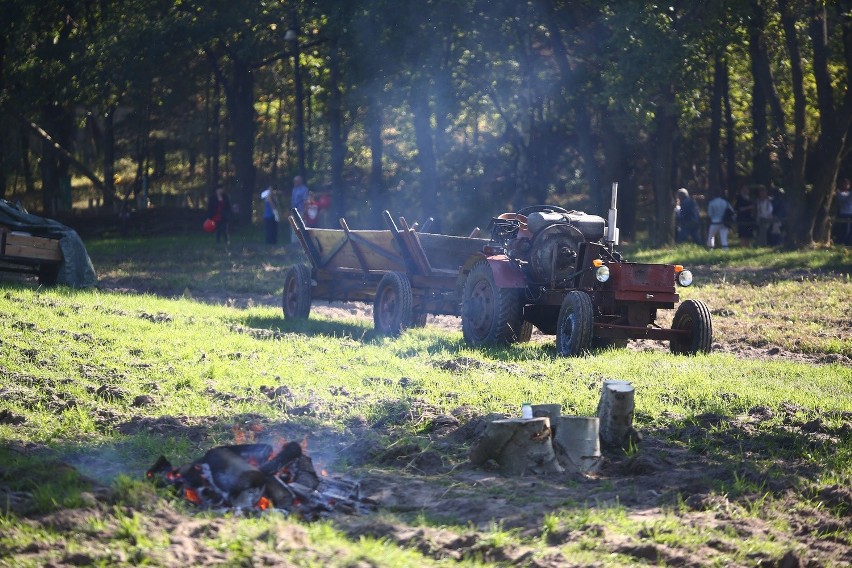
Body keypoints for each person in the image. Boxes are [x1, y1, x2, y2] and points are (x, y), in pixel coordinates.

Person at [290, 175, 309, 243]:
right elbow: (292, 201)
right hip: (294, 211)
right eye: (294, 181)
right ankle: (294, 242)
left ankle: (303, 243)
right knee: (293, 226)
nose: (295, 182)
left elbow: (305, 201)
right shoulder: (294, 189)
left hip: (301, 211)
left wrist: (304, 212)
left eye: (296, 181)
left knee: (301, 226)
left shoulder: (304, 189)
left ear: (300, 181)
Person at [836, 178, 852, 246]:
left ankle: (849, 243)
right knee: (845, 230)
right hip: (844, 213)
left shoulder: (849, 193)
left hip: (851, 213)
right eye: (844, 184)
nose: (846, 185)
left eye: (847, 184)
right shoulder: (839, 193)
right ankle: (843, 243)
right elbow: (843, 201)